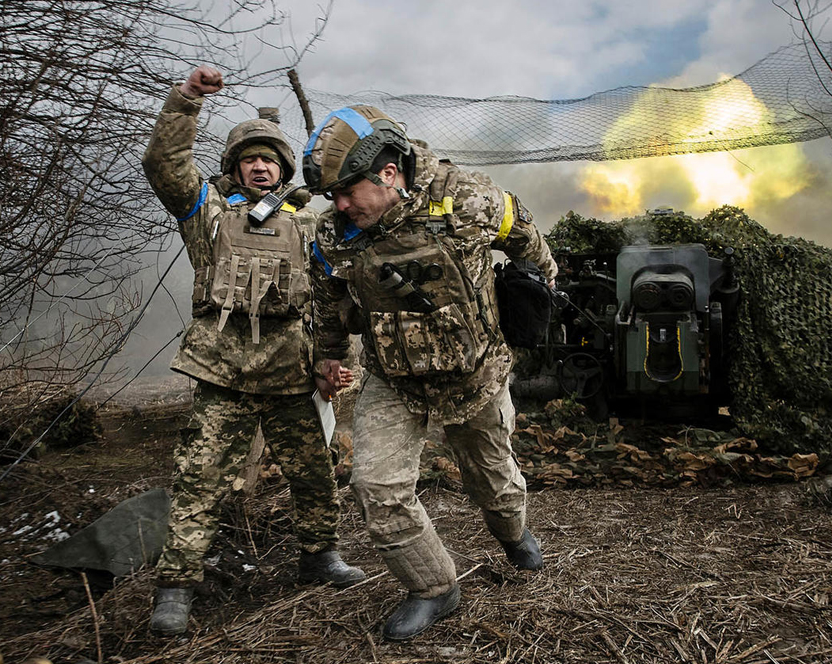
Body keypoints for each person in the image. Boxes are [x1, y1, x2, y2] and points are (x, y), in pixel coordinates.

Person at [303, 106, 558, 641]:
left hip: (477, 375)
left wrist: (536, 292)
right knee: (376, 486)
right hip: (395, 380)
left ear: (389, 173)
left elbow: (528, 241)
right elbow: (328, 302)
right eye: (334, 197)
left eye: (349, 192)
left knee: (495, 484)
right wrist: (329, 357)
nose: (342, 206)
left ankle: (513, 533)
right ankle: (434, 589)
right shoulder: (334, 236)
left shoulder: (469, 198)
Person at [141, 67, 364, 636]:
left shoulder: (312, 219)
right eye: (249, 158)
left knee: (315, 473)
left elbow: (332, 293)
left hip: (291, 372)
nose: (260, 166)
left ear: (285, 167)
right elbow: (165, 166)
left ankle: (319, 557)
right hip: (223, 373)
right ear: (235, 165)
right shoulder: (207, 213)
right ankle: (177, 587)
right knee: (199, 481)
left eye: (270, 158)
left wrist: (332, 360)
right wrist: (186, 100)